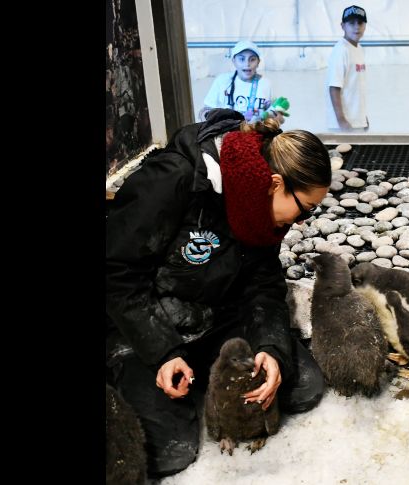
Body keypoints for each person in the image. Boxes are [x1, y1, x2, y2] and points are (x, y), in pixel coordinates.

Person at [106, 108, 331, 478]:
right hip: (145, 322)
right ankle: (154, 383)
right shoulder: (175, 179)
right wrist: (163, 352)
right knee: (170, 454)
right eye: (305, 208)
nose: (302, 220)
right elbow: (116, 273)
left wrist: (270, 349)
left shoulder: (258, 206)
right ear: (275, 183)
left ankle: (202, 382)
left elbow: (264, 284)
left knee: (302, 387)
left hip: (213, 315)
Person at [198, 40, 285, 124]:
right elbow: (203, 112)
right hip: (226, 135)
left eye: (252, 59)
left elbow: (280, 118)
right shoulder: (222, 81)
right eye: (242, 59)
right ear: (234, 61)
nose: (247, 64)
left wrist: (268, 118)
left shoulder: (265, 83)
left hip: (255, 135)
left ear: (258, 62)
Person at [325, 5, 369, 131]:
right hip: (343, 126)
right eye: (351, 23)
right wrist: (341, 121)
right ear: (343, 26)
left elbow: (356, 86)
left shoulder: (359, 49)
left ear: (365, 26)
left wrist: (363, 117)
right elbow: (334, 87)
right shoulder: (341, 50)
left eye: (360, 23)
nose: (356, 27)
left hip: (357, 122)